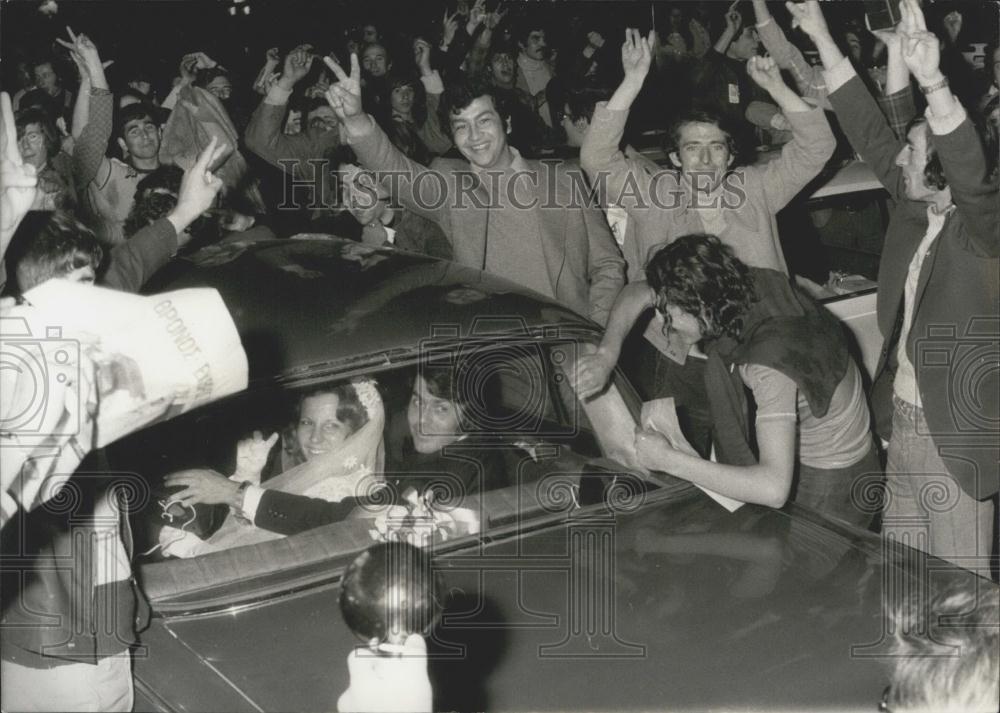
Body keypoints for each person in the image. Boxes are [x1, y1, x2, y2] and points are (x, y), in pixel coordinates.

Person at [787, 0, 997, 572]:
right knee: (905, 572)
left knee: (960, 586)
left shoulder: (984, 232)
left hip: (950, 435)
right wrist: (822, 38)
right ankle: (910, 660)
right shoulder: (916, 209)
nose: (896, 158)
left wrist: (934, 82)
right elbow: (870, 127)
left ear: (940, 173)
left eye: (913, 152)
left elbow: (972, 178)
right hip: (902, 420)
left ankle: (975, 666)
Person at [576, 234, 879, 528]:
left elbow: (773, 489)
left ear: (701, 311)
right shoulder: (739, 285)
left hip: (835, 478)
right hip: (834, 451)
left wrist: (668, 460)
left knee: (804, 574)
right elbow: (638, 292)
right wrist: (606, 353)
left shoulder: (770, 363)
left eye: (669, 316)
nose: (664, 323)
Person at [324, 53, 625, 326]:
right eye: (461, 127)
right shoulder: (451, 184)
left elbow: (608, 264)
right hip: (497, 349)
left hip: (570, 338)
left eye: (484, 121)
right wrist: (356, 120)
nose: (474, 136)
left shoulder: (565, 178)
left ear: (506, 123)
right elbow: (394, 170)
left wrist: (593, 329)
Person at [582, 28, 836, 282]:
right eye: (692, 148)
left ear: (730, 157)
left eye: (716, 147)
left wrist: (778, 88)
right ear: (675, 158)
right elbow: (597, 158)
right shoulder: (655, 199)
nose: (705, 159)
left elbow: (817, 146)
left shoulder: (756, 190)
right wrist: (632, 82)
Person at [158, 378, 385, 554]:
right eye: (307, 422)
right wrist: (247, 475)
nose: (315, 438)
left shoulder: (353, 493)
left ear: (357, 432)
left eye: (331, 426)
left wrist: (195, 552)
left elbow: (277, 555)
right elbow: (263, 525)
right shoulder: (315, 478)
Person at [65, 29, 162, 245]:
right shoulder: (113, 172)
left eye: (149, 127)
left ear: (160, 132)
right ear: (122, 143)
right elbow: (85, 138)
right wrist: (90, 77)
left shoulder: (177, 165)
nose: (145, 135)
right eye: (133, 130)